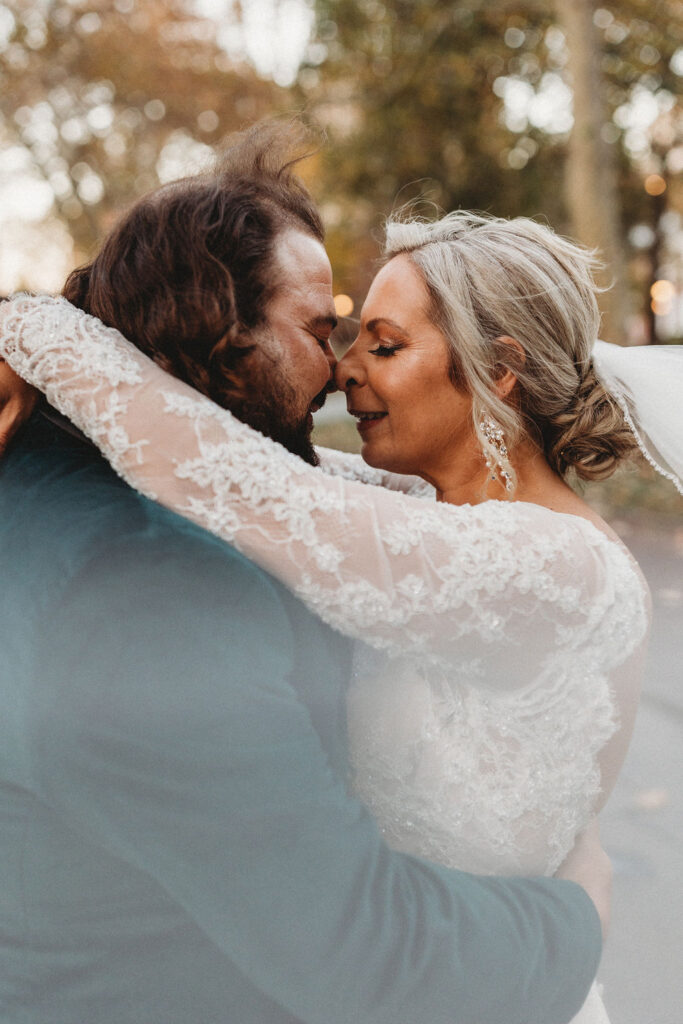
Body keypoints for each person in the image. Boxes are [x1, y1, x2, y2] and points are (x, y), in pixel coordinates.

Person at [0, 123, 609, 1024]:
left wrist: (40, 326)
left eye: (376, 341)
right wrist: (581, 915)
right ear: (215, 325)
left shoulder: (48, 487)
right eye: (320, 330)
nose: (337, 371)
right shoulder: (153, 588)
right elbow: (362, 954)